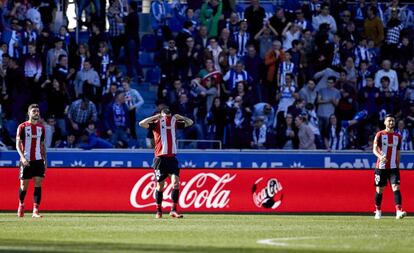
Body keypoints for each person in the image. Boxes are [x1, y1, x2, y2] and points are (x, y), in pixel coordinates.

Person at [139, 107, 193, 219]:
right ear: (161, 115)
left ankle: (173, 210)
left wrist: (181, 117)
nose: (167, 119)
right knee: (160, 186)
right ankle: (158, 210)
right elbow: (141, 123)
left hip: (172, 158)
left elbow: (190, 122)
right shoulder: (155, 123)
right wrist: (155, 117)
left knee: (176, 183)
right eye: (165, 116)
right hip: (160, 159)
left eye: (169, 117)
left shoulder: (174, 123)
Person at [372, 114, 406, 220]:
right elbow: (374, 149)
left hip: (393, 168)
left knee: (396, 187)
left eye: (393, 121)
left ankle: (398, 211)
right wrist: (380, 156)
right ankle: (378, 211)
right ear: (385, 122)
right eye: (389, 121)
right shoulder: (379, 134)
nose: (391, 123)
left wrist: (397, 164)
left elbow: (398, 152)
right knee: (380, 190)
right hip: (381, 167)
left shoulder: (398, 137)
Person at [16, 104, 46, 218]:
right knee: (24, 186)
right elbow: (17, 144)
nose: (36, 113)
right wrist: (22, 157)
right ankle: (21, 204)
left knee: (38, 184)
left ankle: (35, 211)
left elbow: (42, 145)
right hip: (26, 160)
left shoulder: (41, 128)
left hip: (38, 160)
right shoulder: (22, 127)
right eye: (34, 111)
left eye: (38, 111)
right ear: (29, 113)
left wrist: (45, 160)